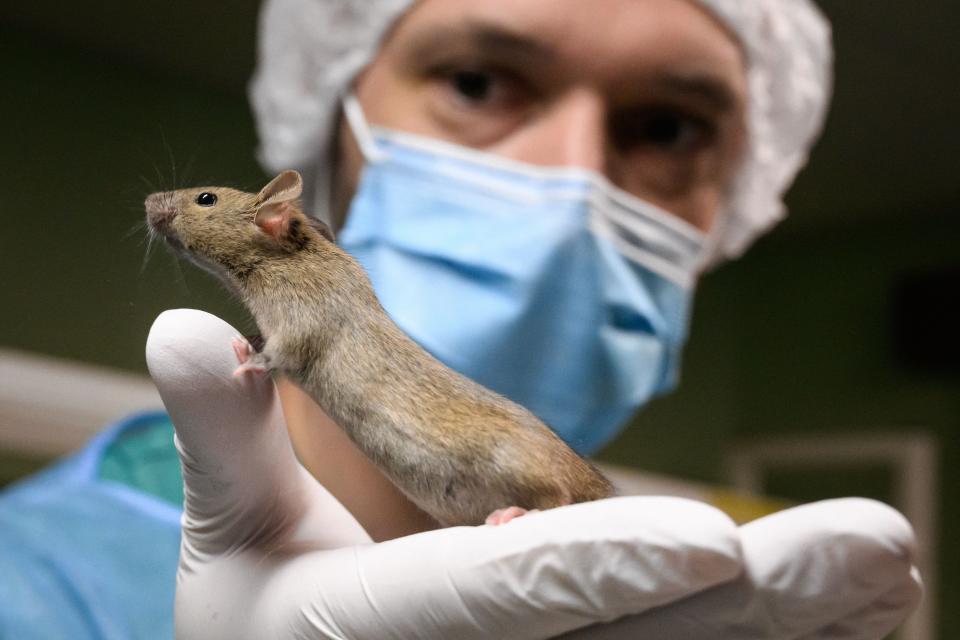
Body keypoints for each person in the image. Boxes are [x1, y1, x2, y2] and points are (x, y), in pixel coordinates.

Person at [0, 0, 922, 638]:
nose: (572, 183)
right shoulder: (39, 587)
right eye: (478, 82)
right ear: (333, 125)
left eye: (668, 128)